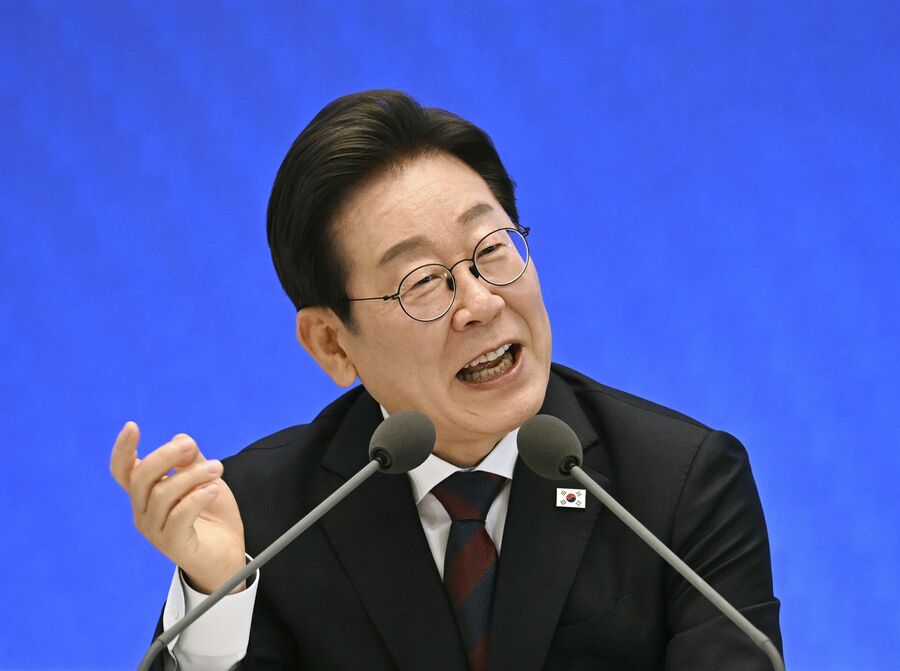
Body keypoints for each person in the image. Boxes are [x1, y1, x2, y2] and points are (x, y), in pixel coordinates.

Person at [110, 90, 782, 670]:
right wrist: (218, 596)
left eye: (492, 249)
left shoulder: (678, 485)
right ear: (332, 343)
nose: (481, 303)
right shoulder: (266, 519)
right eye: (423, 282)